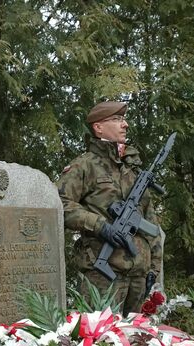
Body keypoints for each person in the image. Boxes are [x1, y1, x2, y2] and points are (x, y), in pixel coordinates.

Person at [57, 100, 162, 315]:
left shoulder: (132, 170)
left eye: (124, 119)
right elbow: (60, 206)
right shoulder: (84, 166)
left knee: (136, 342)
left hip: (139, 277)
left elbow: (151, 223)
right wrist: (100, 226)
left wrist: (154, 268)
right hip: (103, 275)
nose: (125, 125)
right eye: (117, 120)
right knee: (100, 343)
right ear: (98, 127)